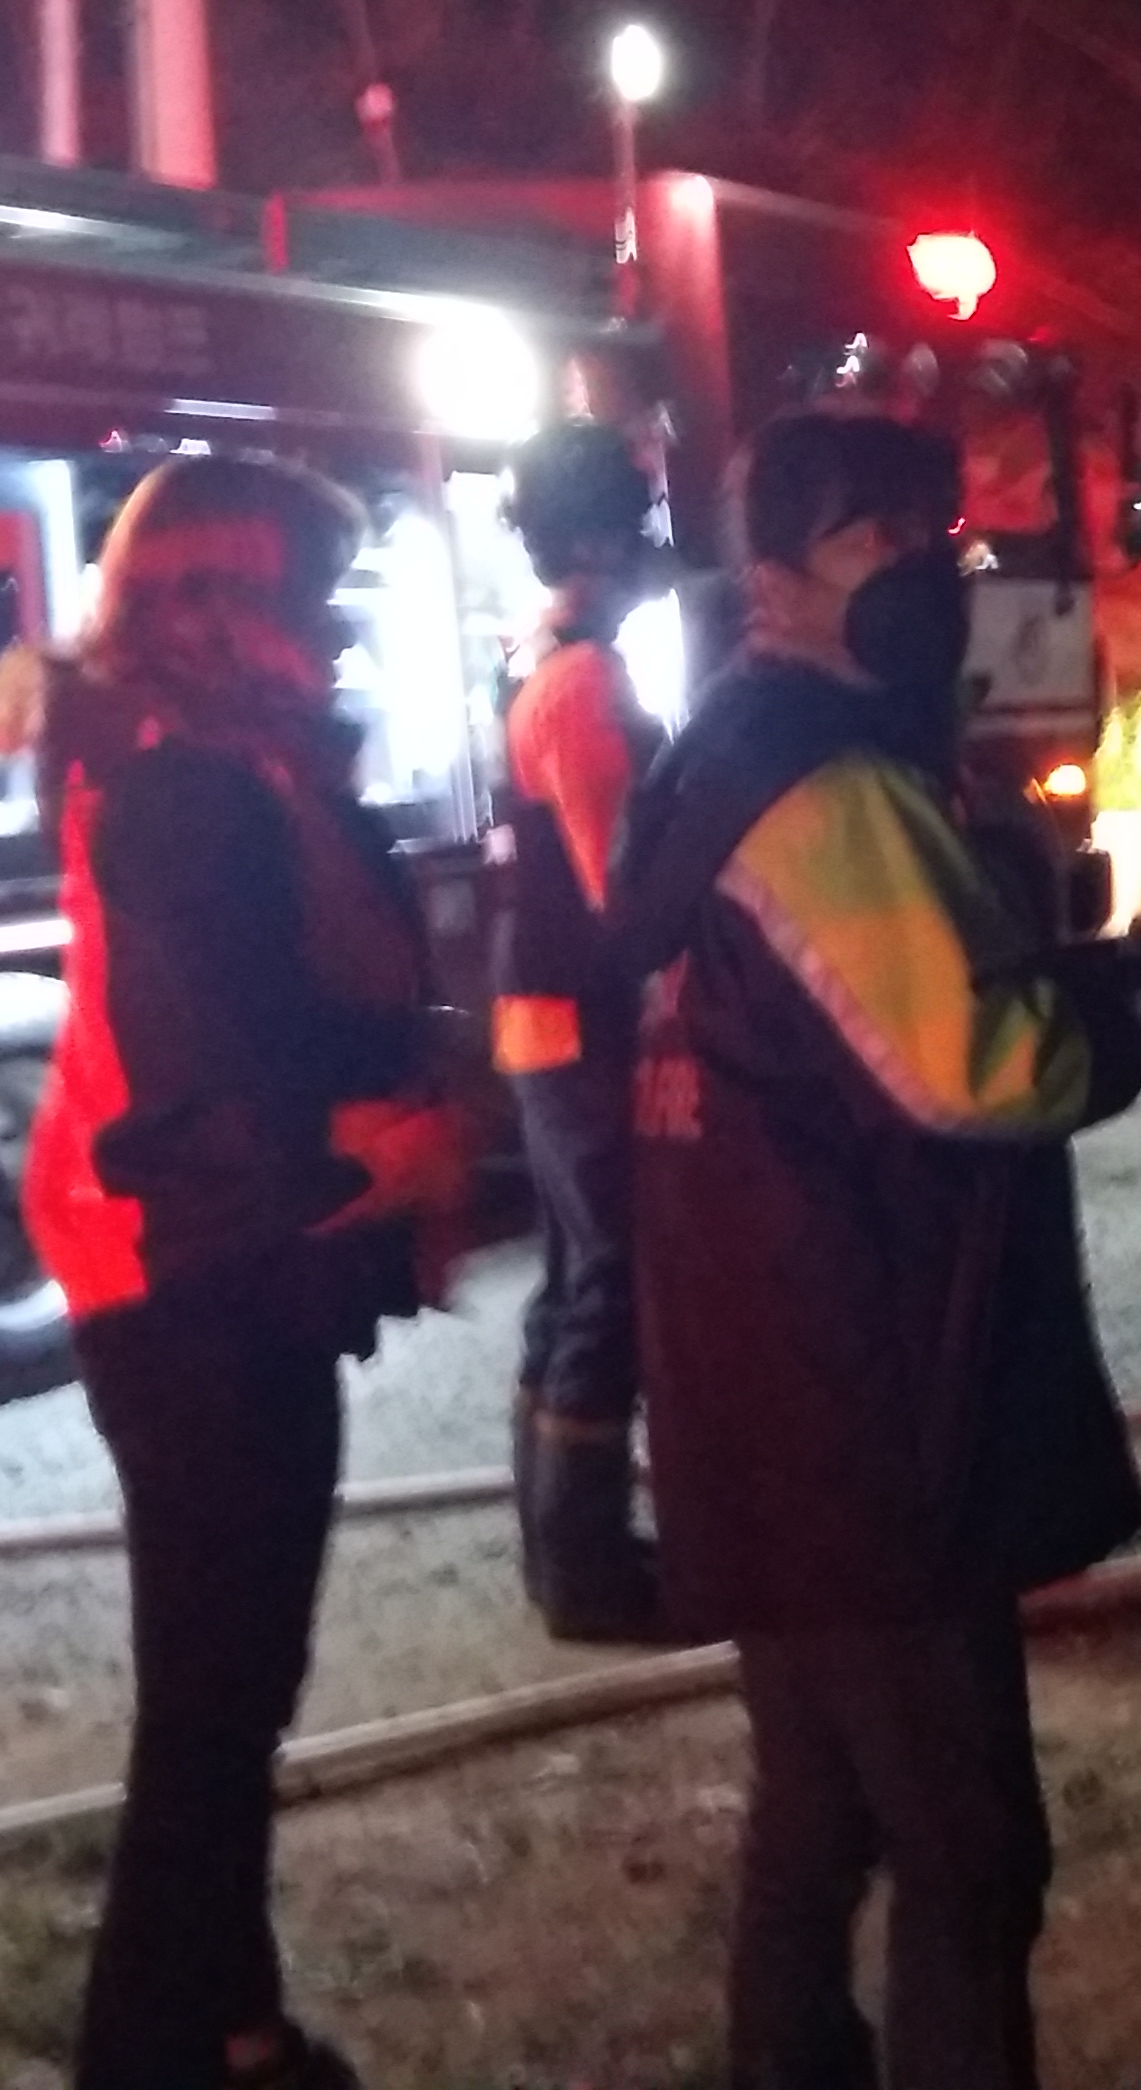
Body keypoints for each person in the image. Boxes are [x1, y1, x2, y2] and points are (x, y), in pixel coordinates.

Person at [604, 411, 1141, 2089]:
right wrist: (1123, 997)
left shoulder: (711, 755)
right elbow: (974, 1067)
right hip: (872, 1399)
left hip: (751, 1378)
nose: (931, 572)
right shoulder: (829, 789)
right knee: (969, 1848)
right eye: (879, 539)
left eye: (938, 535)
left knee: (818, 1805)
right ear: (772, 577)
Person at [12, 457, 474, 2090]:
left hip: (224, 1269)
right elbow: (221, 1056)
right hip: (190, 1279)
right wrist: (375, 1146)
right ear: (224, 604)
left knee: (236, 1685)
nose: (336, 630)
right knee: (214, 1696)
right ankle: (151, 2051)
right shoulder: (183, 790)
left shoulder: (235, 767)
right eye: (312, 598)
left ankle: (232, 2028)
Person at [492, 423, 674, 1645]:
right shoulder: (584, 682)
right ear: (603, 537)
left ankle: (562, 1553)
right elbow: (627, 887)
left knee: (573, 1274)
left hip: (542, 1012)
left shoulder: (544, 660)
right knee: (612, 1275)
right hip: (582, 1018)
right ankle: (588, 1567)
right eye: (642, 519)